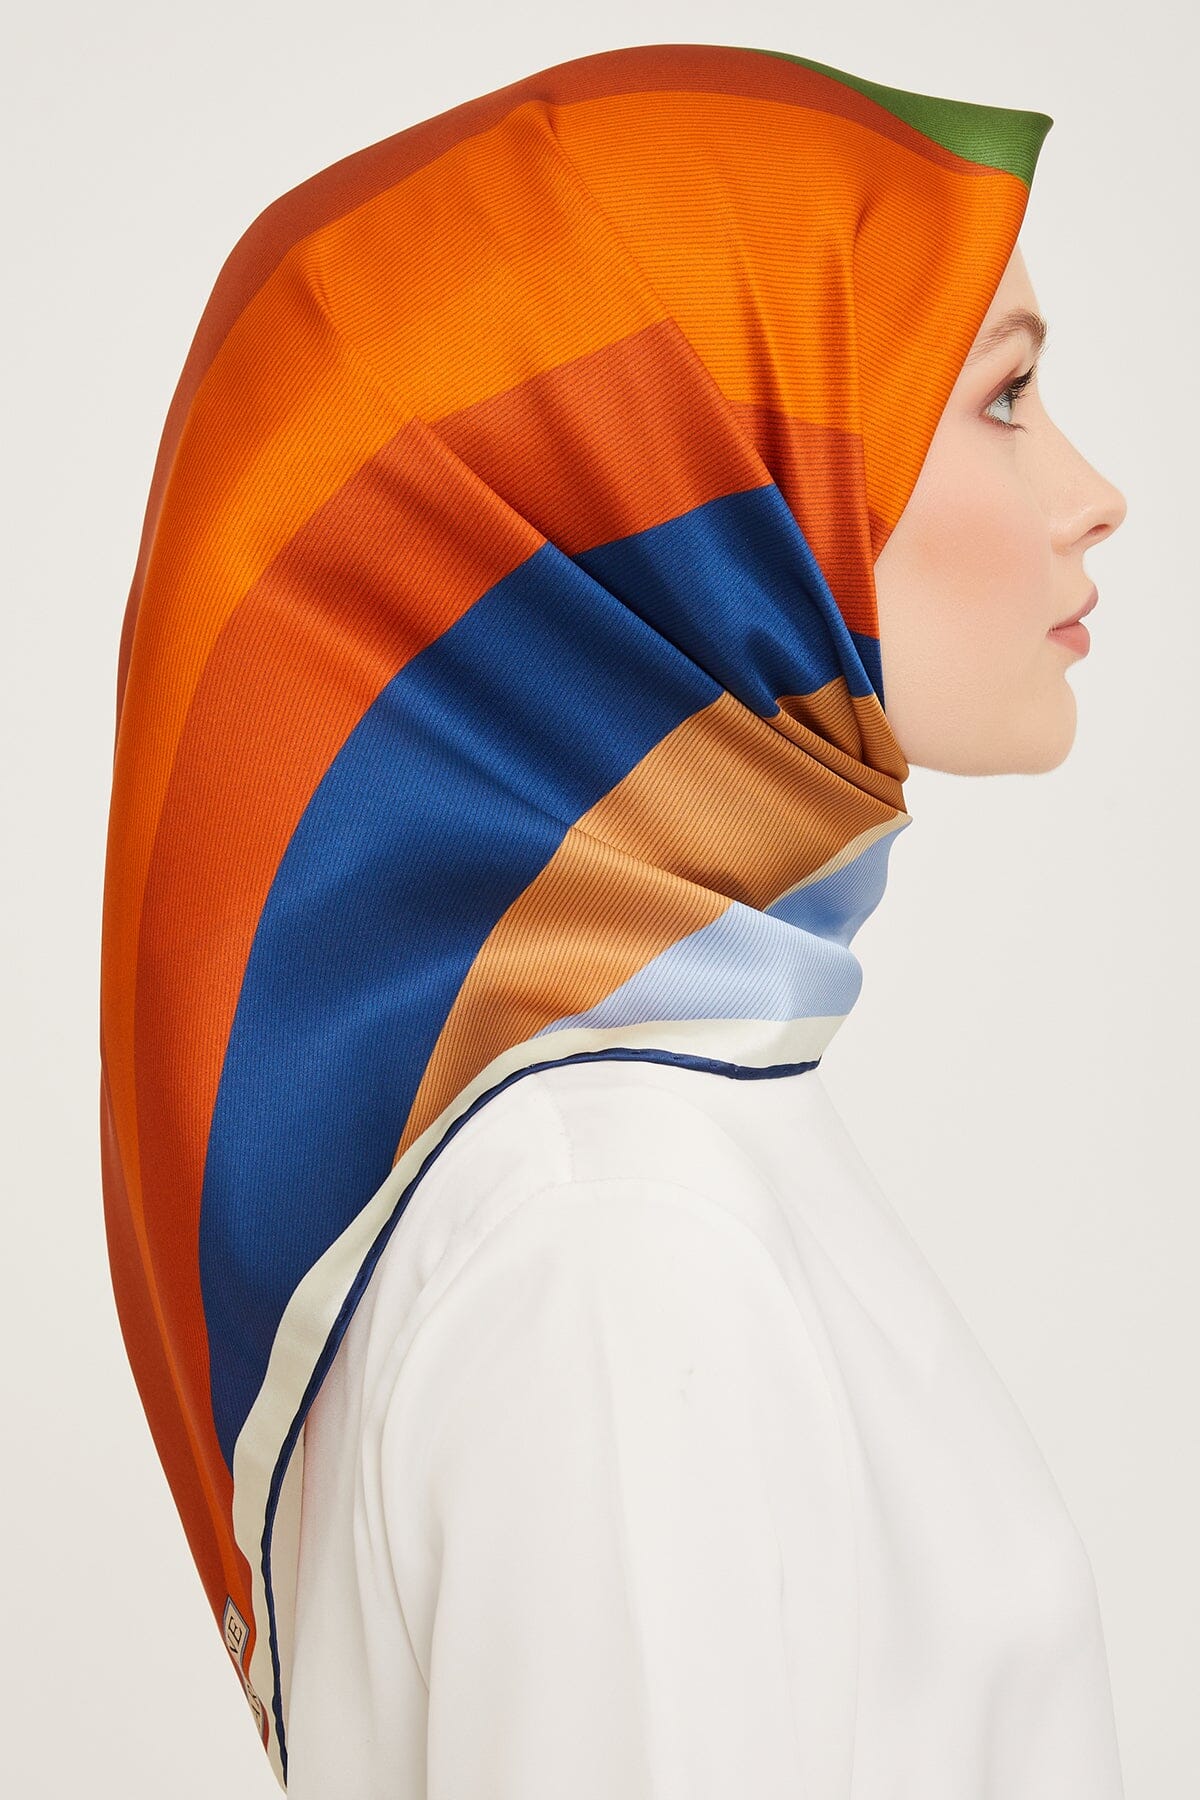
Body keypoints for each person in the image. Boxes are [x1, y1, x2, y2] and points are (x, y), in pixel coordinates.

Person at [98, 43, 1127, 1797]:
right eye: (1008, 396)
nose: (1093, 491)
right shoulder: (615, 1243)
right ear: (701, 483)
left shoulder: (652, 1155)